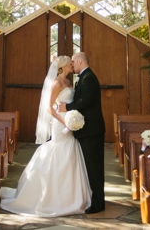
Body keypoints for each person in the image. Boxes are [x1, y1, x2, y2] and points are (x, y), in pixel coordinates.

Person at [0, 55, 92, 217]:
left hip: (69, 122)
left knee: (70, 150)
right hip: (59, 123)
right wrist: (63, 121)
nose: (72, 66)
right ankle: (48, 196)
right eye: (70, 64)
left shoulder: (69, 83)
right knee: (57, 151)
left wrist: (71, 118)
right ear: (63, 67)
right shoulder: (56, 83)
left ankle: (71, 196)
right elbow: (49, 108)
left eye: (72, 64)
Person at [58, 51, 106, 213]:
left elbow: (85, 101)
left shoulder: (89, 78)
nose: (72, 64)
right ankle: (97, 200)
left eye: (73, 61)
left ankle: (98, 204)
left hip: (92, 131)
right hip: (88, 131)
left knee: (94, 168)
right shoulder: (85, 77)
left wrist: (67, 108)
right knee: (91, 168)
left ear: (80, 61)